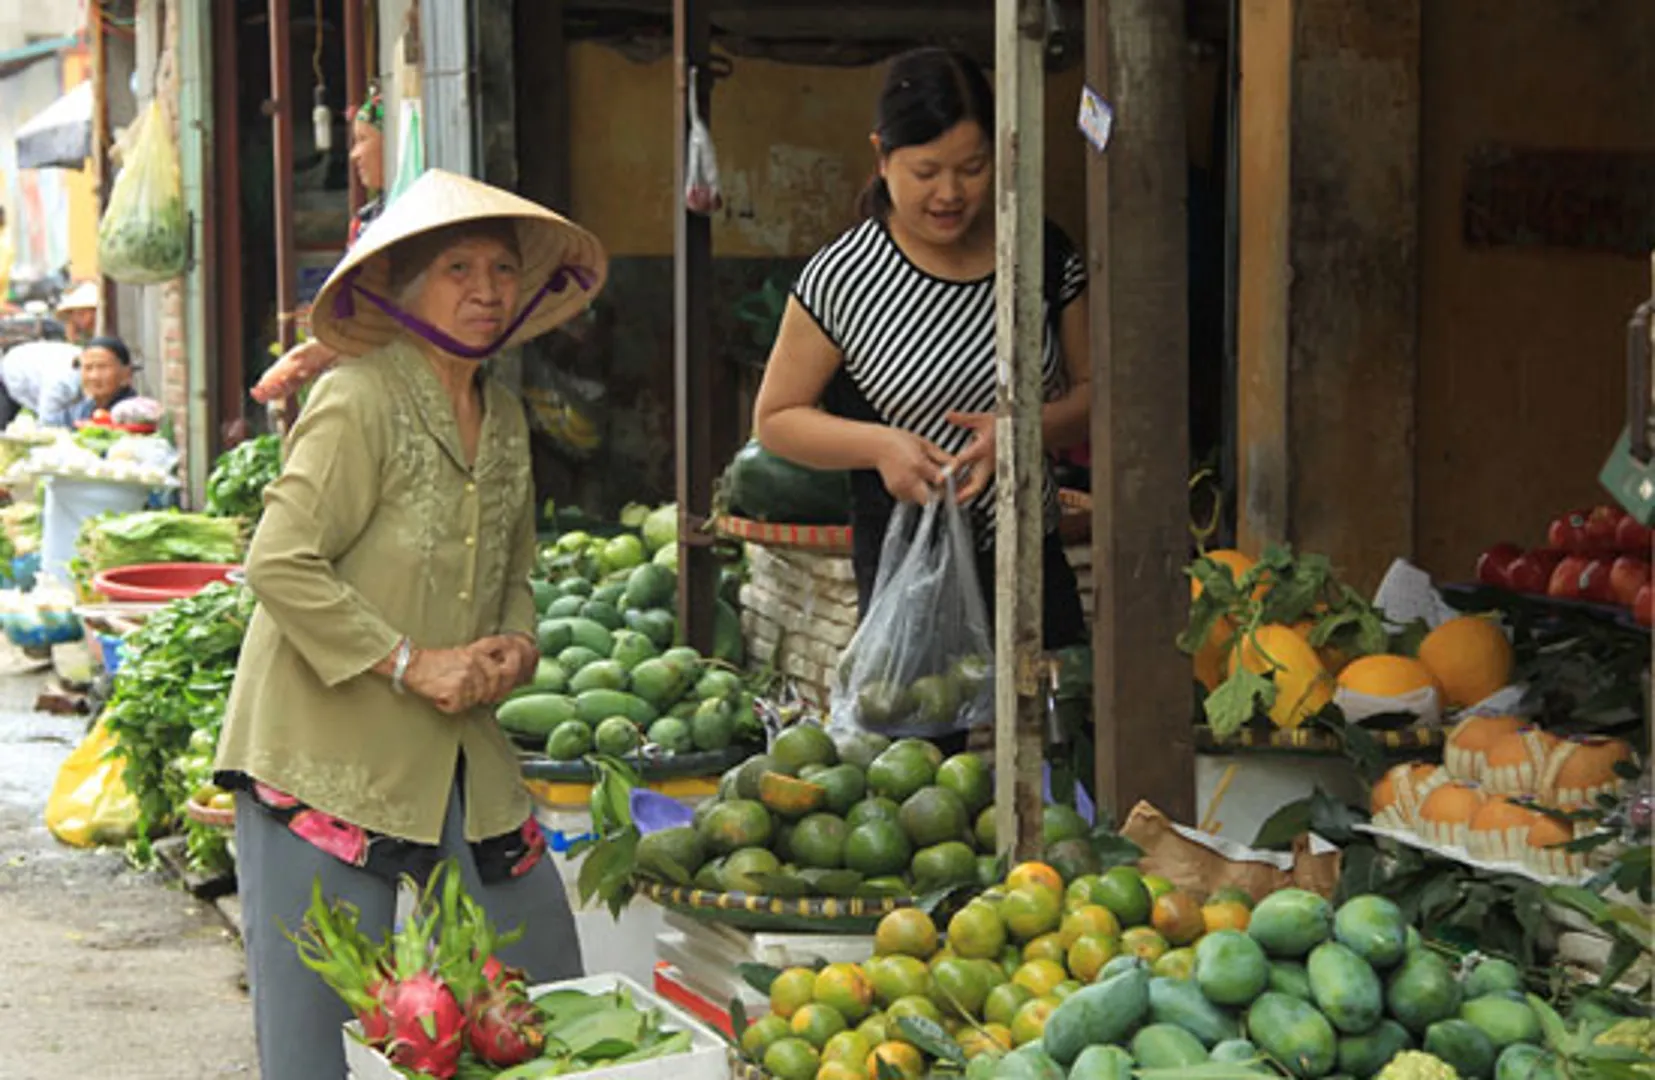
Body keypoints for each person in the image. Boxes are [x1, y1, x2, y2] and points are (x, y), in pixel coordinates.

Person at [212, 168, 609, 1080]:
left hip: (461, 759)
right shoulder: (359, 398)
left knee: (538, 993)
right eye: (457, 268)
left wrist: (517, 643)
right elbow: (278, 560)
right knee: (318, 1035)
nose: (485, 290)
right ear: (402, 290)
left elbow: (513, 570)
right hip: (325, 757)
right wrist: (407, 662)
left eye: (502, 270)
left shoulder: (504, 414)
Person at [753, 47, 1091, 648]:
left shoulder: (1040, 253)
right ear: (882, 156)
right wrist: (881, 445)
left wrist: (1022, 431)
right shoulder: (843, 277)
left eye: (973, 167)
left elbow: (1097, 396)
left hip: (1031, 565)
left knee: (1062, 734)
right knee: (920, 743)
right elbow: (776, 420)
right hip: (906, 570)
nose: (950, 194)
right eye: (926, 172)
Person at [251, 88, 388, 407]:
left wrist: (320, 350)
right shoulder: (370, 218)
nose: (354, 155)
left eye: (364, 140)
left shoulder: (402, 217)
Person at [43, 336, 136, 426]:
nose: (94, 376)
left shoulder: (134, 413)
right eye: (88, 368)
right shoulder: (82, 410)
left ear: (126, 374)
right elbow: (49, 425)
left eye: (102, 367)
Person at [0, 337, 83, 429]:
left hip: (39, 369)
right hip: (12, 371)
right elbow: (47, 426)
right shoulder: (60, 384)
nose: (95, 376)